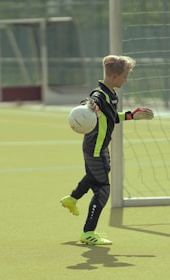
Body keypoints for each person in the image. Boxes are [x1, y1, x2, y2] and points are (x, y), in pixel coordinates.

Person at [60, 55, 154, 245]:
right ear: (114, 75)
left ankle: (72, 198)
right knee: (103, 190)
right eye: (124, 76)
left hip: (99, 147)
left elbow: (111, 118)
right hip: (94, 148)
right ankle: (88, 232)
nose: (126, 80)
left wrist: (131, 115)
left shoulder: (111, 94)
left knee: (96, 177)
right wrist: (88, 106)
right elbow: (88, 102)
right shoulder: (99, 95)